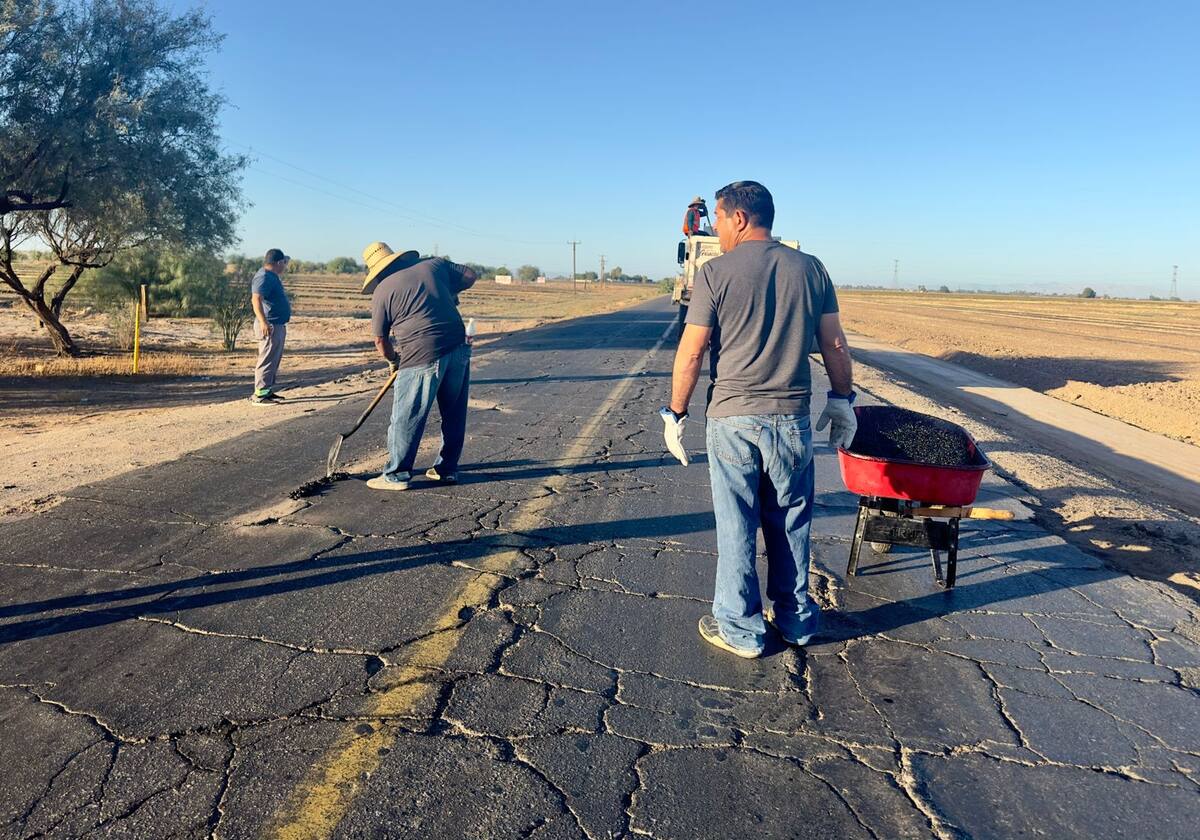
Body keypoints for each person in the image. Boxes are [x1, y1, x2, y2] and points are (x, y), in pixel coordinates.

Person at [661, 181, 857, 658]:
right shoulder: (812, 269)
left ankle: (741, 629)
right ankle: (795, 621)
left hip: (731, 419)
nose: (719, 230)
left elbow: (692, 350)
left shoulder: (715, 273)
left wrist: (676, 412)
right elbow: (834, 343)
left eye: (722, 220)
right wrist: (842, 398)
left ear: (740, 218)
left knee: (737, 524)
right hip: (791, 419)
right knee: (791, 519)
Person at [362, 240, 478, 491]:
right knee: (454, 411)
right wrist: (449, 291)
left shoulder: (382, 291)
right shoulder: (433, 265)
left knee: (407, 414)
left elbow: (380, 340)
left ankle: (396, 474)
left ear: (377, 270)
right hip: (459, 346)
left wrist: (394, 360)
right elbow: (470, 275)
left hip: (421, 353)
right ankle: (447, 470)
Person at [250, 248, 291, 405]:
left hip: (276, 324)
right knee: (267, 359)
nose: (285, 266)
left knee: (273, 359)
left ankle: (267, 391)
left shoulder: (271, 276)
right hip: (269, 325)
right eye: (285, 263)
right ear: (279, 263)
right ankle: (260, 395)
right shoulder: (264, 277)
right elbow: (256, 300)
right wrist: (263, 322)